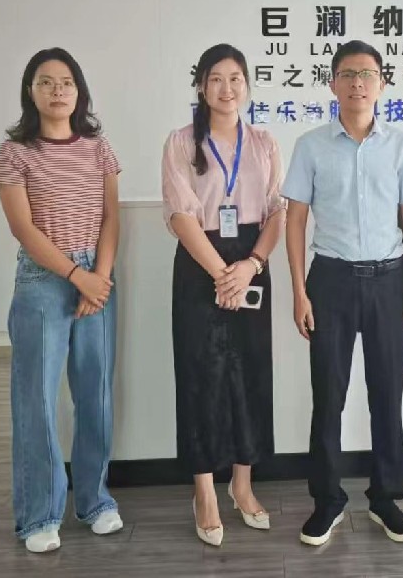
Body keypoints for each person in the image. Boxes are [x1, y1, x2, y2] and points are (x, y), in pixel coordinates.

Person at [282, 39, 403, 546]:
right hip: (331, 281)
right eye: (347, 74)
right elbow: (296, 219)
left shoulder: (399, 145)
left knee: (387, 395)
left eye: (367, 74)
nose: (357, 83)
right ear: (332, 83)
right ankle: (327, 500)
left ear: (382, 83)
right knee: (329, 396)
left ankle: (386, 499)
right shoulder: (311, 145)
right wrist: (300, 292)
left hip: (390, 282)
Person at [0, 47, 123, 553]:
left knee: (95, 395)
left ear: (79, 91)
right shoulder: (14, 153)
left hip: (97, 276)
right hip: (43, 279)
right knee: (37, 400)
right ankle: (39, 515)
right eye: (46, 82)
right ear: (31, 91)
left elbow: (111, 217)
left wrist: (98, 277)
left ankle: (95, 501)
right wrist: (76, 276)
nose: (57, 90)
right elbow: (23, 228)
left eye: (66, 82)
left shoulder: (99, 149)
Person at [162, 43, 285, 547]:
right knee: (201, 377)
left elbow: (277, 211)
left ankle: (242, 484)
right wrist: (221, 274)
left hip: (252, 261)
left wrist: (250, 266)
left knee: (249, 374)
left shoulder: (264, 143)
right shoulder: (180, 142)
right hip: (200, 266)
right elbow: (180, 215)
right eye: (216, 78)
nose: (227, 88)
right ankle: (204, 492)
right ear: (201, 86)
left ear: (247, 85)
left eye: (236, 78)